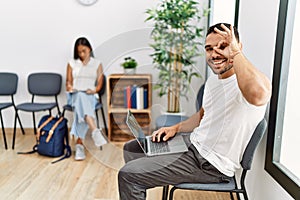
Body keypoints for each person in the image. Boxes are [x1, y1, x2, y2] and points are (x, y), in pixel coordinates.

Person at [118, 23, 272, 200]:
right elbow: (202, 115)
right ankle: (143, 182)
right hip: (193, 144)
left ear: (238, 47)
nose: (214, 54)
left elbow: (258, 95)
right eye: (209, 49)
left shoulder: (249, 82)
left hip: (211, 164)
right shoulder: (214, 81)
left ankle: (138, 180)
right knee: (132, 148)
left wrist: (236, 53)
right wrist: (175, 128)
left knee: (128, 175)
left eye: (223, 46)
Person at [66, 37, 107, 161]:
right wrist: (70, 87)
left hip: (90, 95)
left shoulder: (97, 63)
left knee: (82, 103)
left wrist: (94, 90)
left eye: (84, 51)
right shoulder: (72, 63)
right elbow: (68, 82)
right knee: (80, 97)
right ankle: (94, 129)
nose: (82, 54)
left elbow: (99, 83)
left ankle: (79, 146)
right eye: (79, 52)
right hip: (75, 95)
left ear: (89, 48)